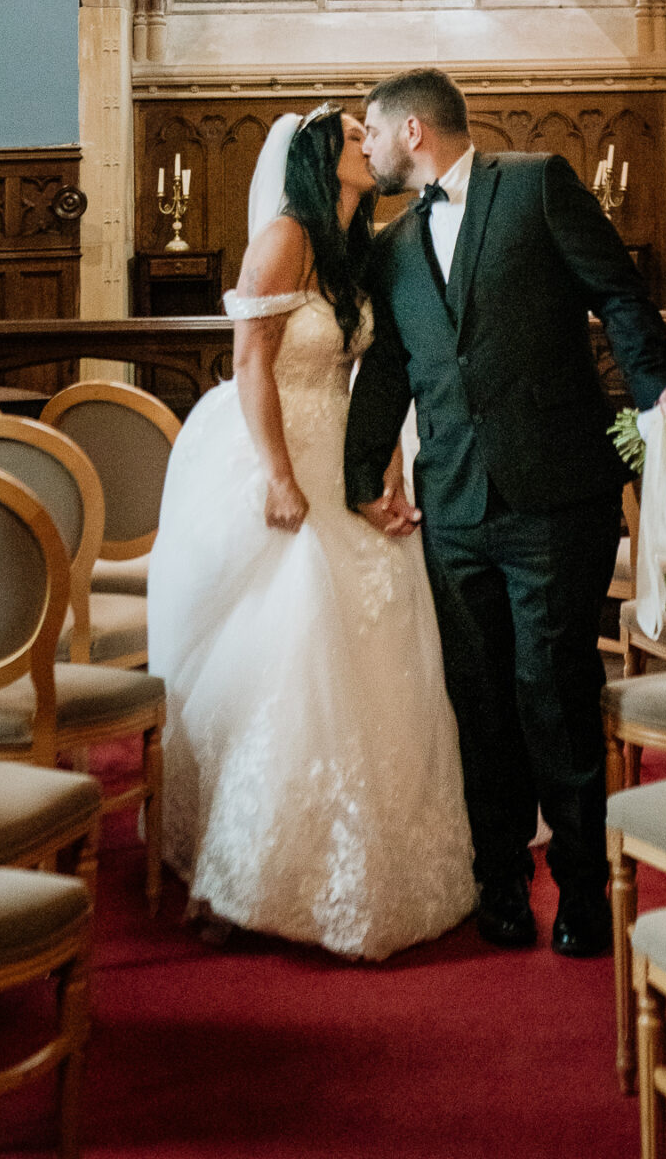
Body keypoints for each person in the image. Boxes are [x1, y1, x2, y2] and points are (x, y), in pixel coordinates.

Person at [345, 68, 666, 958]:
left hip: (556, 494)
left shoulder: (533, 186)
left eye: (372, 132)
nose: (367, 148)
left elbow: (618, 294)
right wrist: (358, 473)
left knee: (554, 690)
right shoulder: (389, 249)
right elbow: (389, 371)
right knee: (479, 701)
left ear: (413, 129)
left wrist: (657, 398)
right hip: (451, 502)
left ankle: (583, 890)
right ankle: (499, 883)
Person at [145, 104, 476, 959]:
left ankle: (383, 850)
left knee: (388, 624)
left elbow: (369, 371)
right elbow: (250, 359)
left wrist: (384, 468)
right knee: (294, 634)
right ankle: (245, 866)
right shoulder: (286, 235)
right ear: (316, 156)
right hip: (275, 444)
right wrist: (280, 478)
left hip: (343, 446)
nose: (368, 144)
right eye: (352, 136)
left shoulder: (353, 247)